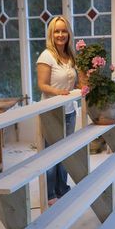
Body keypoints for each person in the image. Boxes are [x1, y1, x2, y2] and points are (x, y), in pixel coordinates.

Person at [37, 16, 77, 206]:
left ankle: (63, 189)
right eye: (57, 31)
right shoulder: (47, 55)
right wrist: (59, 92)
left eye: (64, 31)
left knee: (65, 152)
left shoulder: (70, 56)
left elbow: (75, 82)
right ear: (51, 34)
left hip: (69, 110)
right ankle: (50, 193)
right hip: (51, 111)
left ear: (69, 33)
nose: (60, 35)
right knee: (51, 155)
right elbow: (42, 85)